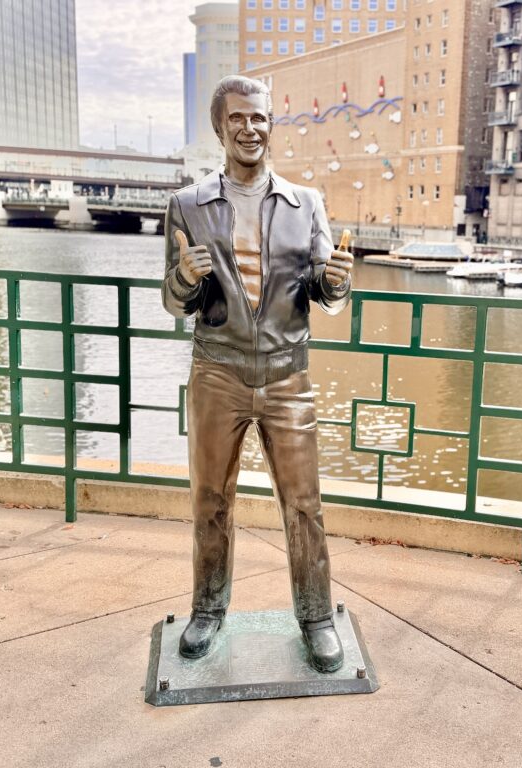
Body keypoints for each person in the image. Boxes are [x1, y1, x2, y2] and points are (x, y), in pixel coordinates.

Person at [161, 75, 354, 673]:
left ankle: (317, 617)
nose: (250, 129)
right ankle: (209, 610)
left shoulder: (307, 203)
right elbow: (173, 302)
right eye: (238, 118)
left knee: (304, 503)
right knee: (210, 501)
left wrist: (337, 281)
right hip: (217, 372)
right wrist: (185, 280)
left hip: (287, 375)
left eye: (260, 118)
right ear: (221, 127)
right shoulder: (187, 205)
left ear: (272, 125)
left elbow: (324, 291)